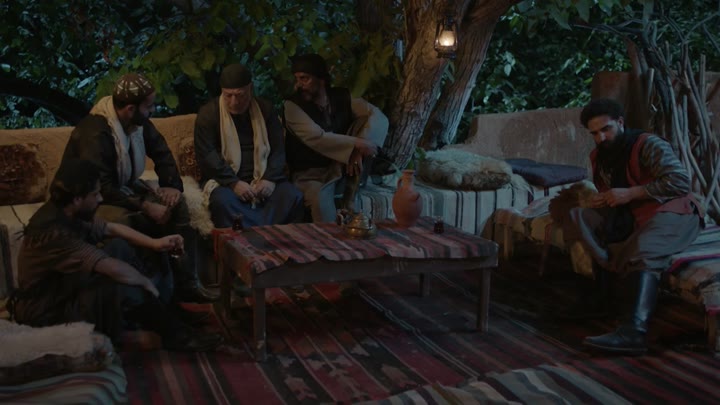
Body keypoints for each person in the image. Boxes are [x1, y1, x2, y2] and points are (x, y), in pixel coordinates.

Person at [7, 159, 222, 352]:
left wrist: (156, 244)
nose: (100, 198)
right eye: (95, 194)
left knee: (120, 246)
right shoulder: (53, 234)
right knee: (124, 285)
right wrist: (146, 283)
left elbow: (111, 228)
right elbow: (109, 266)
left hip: (66, 290)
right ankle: (176, 335)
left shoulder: (68, 209)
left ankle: (167, 312)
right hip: (48, 312)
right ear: (78, 199)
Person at [59, 73, 218, 303]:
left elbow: (161, 151)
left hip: (122, 187)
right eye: (149, 106)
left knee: (178, 205)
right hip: (89, 200)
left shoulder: (137, 122)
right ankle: (147, 295)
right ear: (130, 109)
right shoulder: (96, 133)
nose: (153, 110)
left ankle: (187, 284)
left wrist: (171, 186)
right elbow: (102, 187)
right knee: (128, 221)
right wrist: (145, 206)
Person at [564, 98, 703, 355]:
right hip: (632, 214)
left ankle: (634, 332)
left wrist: (630, 193)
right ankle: (600, 297)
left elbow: (679, 182)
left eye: (606, 129)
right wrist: (604, 198)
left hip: (671, 211)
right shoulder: (599, 156)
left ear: (620, 122)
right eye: (594, 133)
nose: (601, 138)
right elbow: (613, 191)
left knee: (645, 247)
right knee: (578, 217)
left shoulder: (647, 144)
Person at [194, 64, 304, 228]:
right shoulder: (209, 114)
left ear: (250, 89)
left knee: (292, 196)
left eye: (240, 95)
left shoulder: (265, 109)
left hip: (263, 179)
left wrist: (269, 179)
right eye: (228, 95)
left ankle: (272, 237)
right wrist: (234, 183)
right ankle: (251, 237)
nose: (234, 102)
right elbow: (207, 155)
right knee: (222, 202)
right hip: (226, 182)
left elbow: (278, 149)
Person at [283, 53, 389, 223]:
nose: (298, 85)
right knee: (320, 199)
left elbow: (378, 116)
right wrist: (357, 144)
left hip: (341, 169)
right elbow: (318, 138)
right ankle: (329, 238)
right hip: (308, 176)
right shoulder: (292, 106)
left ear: (321, 79)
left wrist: (358, 151)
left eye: (304, 79)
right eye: (297, 79)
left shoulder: (341, 96)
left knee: (366, 119)